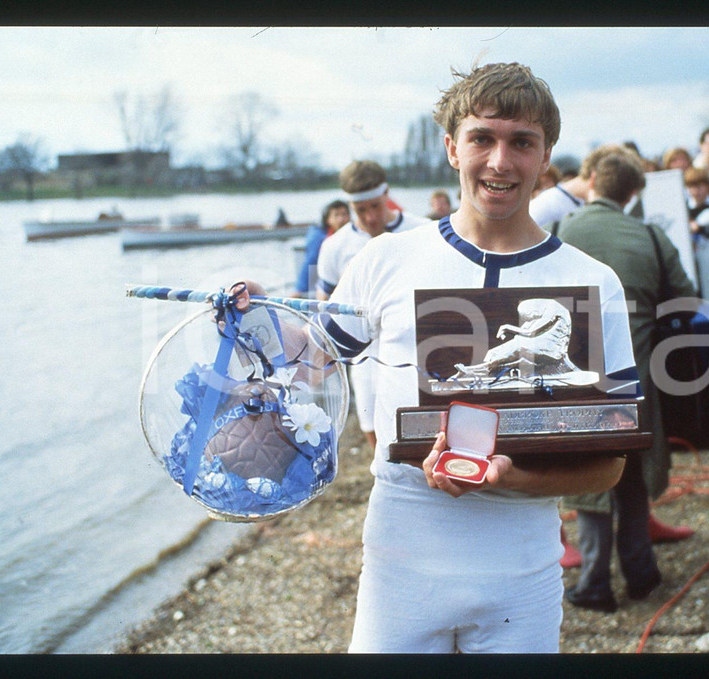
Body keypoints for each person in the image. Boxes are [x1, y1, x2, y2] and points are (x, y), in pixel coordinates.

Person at [244, 62, 634, 653]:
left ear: (545, 156)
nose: (500, 161)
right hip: (399, 567)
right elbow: (304, 371)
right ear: (453, 148)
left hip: (522, 577)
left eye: (521, 142)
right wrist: (251, 320)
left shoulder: (594, 282)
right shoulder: (384, 260)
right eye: (482, 138)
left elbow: (609, 466)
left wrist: (512, 476)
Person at [556, 145, 697, 612]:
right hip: (637, 377)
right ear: (635, 192)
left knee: (590, 476)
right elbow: (687, 301)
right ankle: (641, 573)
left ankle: (595, 583)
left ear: (591, 181)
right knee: (632, 473)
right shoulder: (651, 236)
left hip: (577, 376)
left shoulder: (560, 232)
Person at [315, 160, 426, 449]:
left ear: (387, 194)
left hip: (412, 347)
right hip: (363, 352)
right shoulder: (334, 246)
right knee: (370, 422)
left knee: (417, 423)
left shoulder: (424, 232)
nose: (371, 217)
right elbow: (324, 303)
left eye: (376, 206)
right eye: (361, 210)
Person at [291, 200, 350, 298]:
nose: (341, 219)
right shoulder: (319, 238)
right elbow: (310, 263)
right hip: (321, 285)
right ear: (328, 219)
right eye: (336, 215)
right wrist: (300, 289)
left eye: (344, 215)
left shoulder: (352, 235)